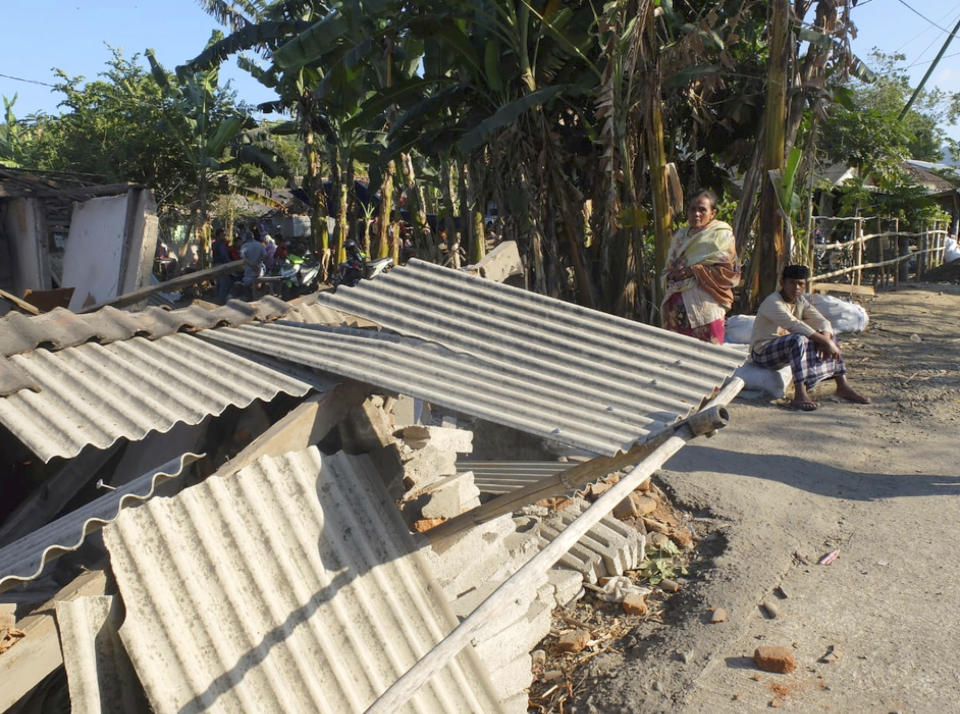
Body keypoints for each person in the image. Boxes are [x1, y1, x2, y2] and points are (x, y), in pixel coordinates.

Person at [750, 264, 871, 411]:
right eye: (792, 283)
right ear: (782, 283)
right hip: (762, 353)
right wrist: (824, 341)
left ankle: (842, 386)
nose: (796, 288)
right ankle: (800, 395)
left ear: (805, 285)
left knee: (828, 335)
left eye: (800, 284)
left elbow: (823, 321)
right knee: (799, 339)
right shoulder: (773, 302)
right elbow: (794, 324)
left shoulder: (800, 301)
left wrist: (826, 338)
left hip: (783, 351)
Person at [661, 189, 740, 343]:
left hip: (706, 306)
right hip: (676, 307)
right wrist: (670, 275)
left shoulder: (721, 235)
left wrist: (694, 271)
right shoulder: (680, 236)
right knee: (675, 354)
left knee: (707, 357)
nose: (696, 214)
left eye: (702, 210)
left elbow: (729, 271)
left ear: (713, 213)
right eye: (692, 209)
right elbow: (669, 267)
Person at [240, 231, 266, 300]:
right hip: (259, 271)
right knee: (258, 287)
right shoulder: (259, 245)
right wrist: (257, 262)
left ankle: (249, 300)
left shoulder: (244, 246)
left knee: (247, 287)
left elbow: (244, 258)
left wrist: (251, 264)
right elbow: (265, 256)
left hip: (249, 272)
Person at [211, 228, 232, 305]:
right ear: (219, 235)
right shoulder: (221, 244)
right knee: (224, 283)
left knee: (219, 283)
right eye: (223, 235)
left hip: (216, 265)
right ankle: (222, 301)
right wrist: (230, 263)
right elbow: (224, 256)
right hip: (222, 265)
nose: (224, 237)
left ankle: (218, 299)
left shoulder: (214, 244)